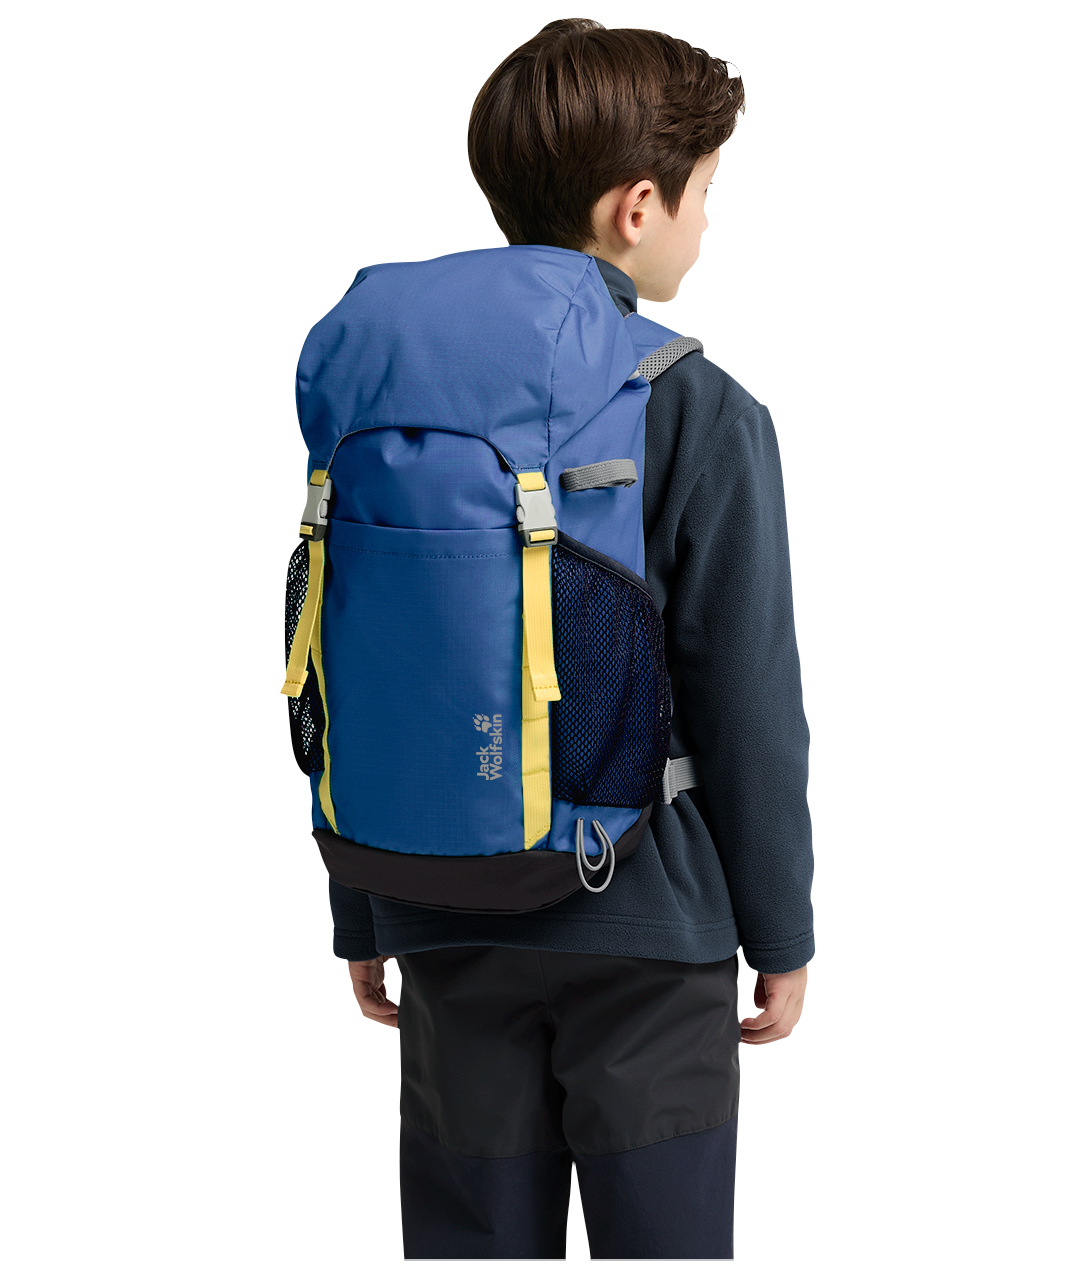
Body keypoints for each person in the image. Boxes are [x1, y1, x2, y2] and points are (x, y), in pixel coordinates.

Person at [331, 19, 814, 1259]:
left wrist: (363, 908)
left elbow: (365, 661)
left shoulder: (390, 407)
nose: (706, 223)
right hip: (649, 930)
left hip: (442, 906)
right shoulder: (698, 405)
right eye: (705, 193)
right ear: (636, 206)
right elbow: (748, 697)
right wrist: (780, 929)